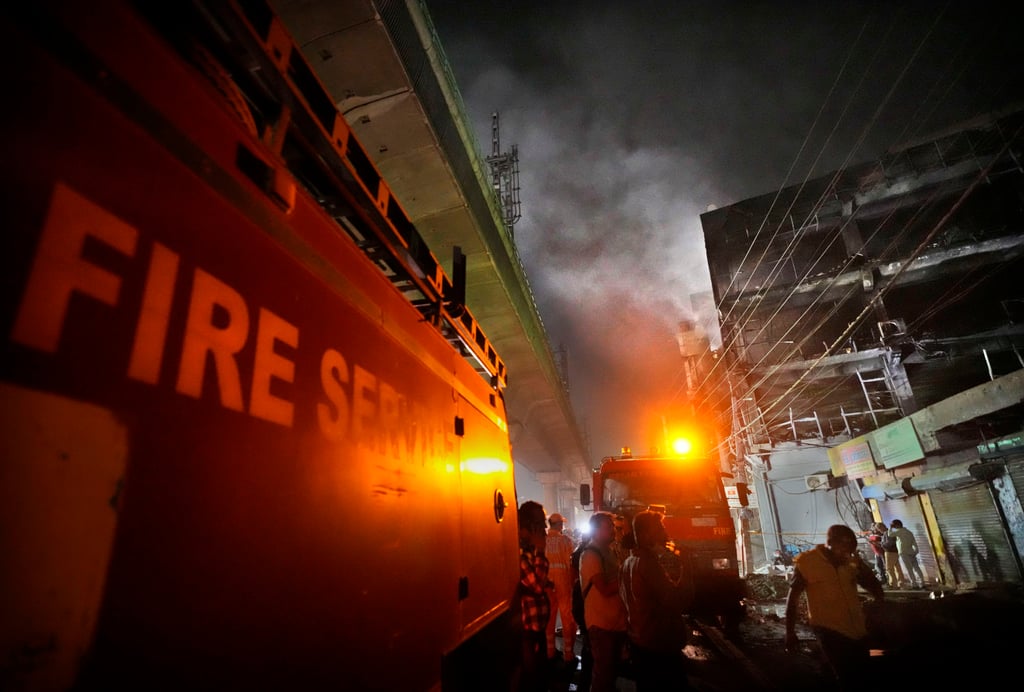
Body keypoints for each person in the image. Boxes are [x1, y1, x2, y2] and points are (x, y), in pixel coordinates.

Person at [784, 524, 884, 690]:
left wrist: (878, 600)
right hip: (828, 629)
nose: (847, 554)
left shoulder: (852, 561)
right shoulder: (807, 563)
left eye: (850, 551)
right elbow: (792, 599)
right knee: (846, 675)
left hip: (857, 630)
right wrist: (789, 632)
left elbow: (872, 585)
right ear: (830, 544)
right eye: (844, 549)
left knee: (866, 671)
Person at [619, 510, 694, 691]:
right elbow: (675, 600)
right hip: (659, 646)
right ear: (645, 534)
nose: (664, 532)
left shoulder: (628, 563)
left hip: (639, 644)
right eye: (660, 528)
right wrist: (687, 567)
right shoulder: (648, 564)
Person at [579, 512, 628, 692]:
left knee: (610, 674)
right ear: (597, 530)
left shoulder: (610, 552)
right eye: (609, 527)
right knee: (603, 676)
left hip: (615, 625)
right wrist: (627, 578)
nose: (614, 531)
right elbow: (605, 589)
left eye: (613, 527)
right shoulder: (591, 555)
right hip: (601, 626)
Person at [515, 500, 552, 692]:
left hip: (537, 630)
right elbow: (537, 586)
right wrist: (541, 551)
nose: (544, 530)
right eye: (540, 525)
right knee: (533, 680)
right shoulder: (520, 554)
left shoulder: (529, 552)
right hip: (527, 633)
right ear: (528, 526)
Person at [544, 512, 578, 668]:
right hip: (563, 581)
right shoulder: (565, 540)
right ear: (559, 525)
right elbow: (570, 560)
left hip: (548, 582)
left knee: (550, 616)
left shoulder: (543, 541)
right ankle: (568, 654)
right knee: (567, 617)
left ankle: (549, 651)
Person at [889, 519, 926, 588]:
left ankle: (914, 584)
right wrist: (916, 551)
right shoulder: (909, 532)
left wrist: (890, 528)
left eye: (894, 526)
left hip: (903, 552)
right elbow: (914, 542)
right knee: (916, 568)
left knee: (909, 569)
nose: (894, 527)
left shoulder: (899, 532)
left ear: (897, 525)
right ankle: (922, 582)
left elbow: (890, 534)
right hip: (911, 552)